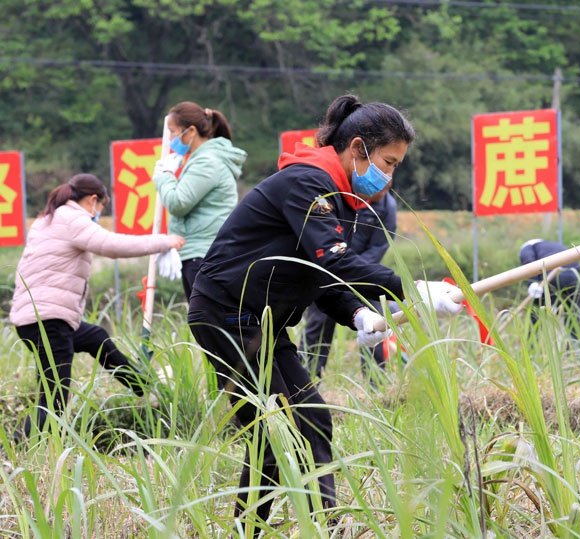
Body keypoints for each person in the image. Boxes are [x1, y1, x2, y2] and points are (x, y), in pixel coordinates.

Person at [186, 94, 464, 535]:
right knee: (269, 438)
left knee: (311, 420)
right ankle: (252, 532)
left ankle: (324, 528)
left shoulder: (340, 198)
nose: (389, 176)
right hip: (224, 313)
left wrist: (358, 315)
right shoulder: (307, 183)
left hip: (264, 323)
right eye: (388, 163)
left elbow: (321, 277)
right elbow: (334, 261)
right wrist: (410, 288)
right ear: (358, 148)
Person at [9, 174, 185, 441]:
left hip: (37, 320)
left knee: (96, 337)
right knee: (53, 403)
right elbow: (113, 246)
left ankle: (147, 390)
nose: (98, 214)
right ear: (93, 200)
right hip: (49, 322)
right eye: (101, 208)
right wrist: (164, 241)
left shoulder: (49, 219)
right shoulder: (73, 219)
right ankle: (8, 452)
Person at [152, 101, 247, 300]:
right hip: (198, 252)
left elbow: (178, 203)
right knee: (203, 324)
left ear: (191, 130)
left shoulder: (207, 162)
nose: (170, 139)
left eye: (173, 131)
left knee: (208, 325)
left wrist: (166, 175)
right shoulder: (201, 159)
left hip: (204, 254)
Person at [302, 191, 398, 380]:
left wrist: (351, 273)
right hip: (329, 274)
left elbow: (378, 248)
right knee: (317, 327)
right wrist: (338, 271)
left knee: (376, 326)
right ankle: (306, 384)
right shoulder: (341, 197)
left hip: (368, 277)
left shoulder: (387, 206)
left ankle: (376, 385)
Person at [519, 239, 580, 340]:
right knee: (572, 318)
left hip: (551, 277)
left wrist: (533, 282)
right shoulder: (556, 246)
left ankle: (530, 348)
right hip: (574, 277)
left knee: (536, 316)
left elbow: (529, 263)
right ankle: (575, 352)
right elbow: (577, 265)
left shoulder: (528, 246)